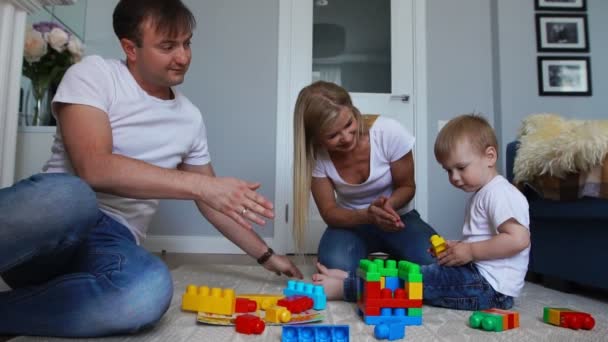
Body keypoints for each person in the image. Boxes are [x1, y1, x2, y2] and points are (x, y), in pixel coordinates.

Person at [0, 0, 302, 337]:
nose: (183, 56)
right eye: (168, 46)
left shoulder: (189, 118)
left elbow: (212, 202)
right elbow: (94, 168)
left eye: (186, 43)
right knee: (71, 196)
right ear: (130, 47)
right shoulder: (94, 74)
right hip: (54, 225)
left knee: (147, 290)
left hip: (111, 242)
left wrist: (267, 256)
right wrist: (201, 186)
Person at [292, 81, 437, 301]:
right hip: (351, 224)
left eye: (349, 123)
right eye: (333, 136)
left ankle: (385, 264)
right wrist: (367, 215)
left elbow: (407, 187)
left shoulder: (389, 131)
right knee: (334, 267)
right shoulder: (317, 157)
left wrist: (387, 207)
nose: (347, 138)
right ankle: (380, 265)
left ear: (353, 109)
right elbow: (330, 212)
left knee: (434, 264)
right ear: (316, 139)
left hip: (397, 218)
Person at [423, 114, 530, 310]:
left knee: (416, 280)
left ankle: (353, 285)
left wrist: (470, 251)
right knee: (424, 273)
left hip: (490, 288)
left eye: (461, 167)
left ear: (490, 157)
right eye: (448, 170)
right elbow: (485, 239)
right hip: (480, 277)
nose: (454, 177)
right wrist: (459, 248)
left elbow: (519, 239)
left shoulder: (500, 193)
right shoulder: (482, 193)